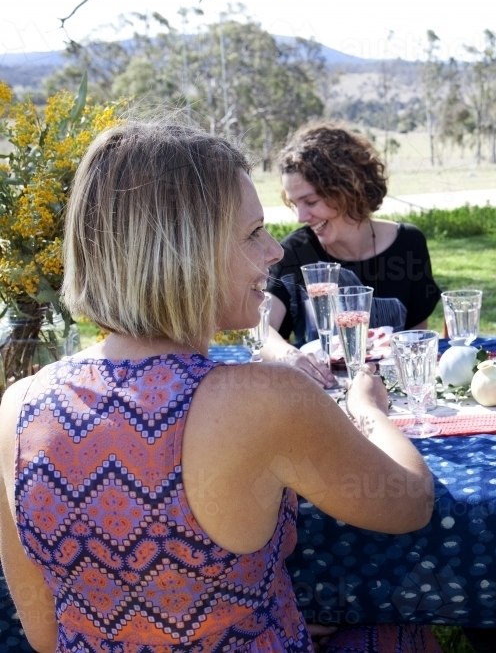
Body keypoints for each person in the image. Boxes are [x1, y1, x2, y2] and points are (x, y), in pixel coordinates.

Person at [0, 122, 438, 653]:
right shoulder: (262, 398)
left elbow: (45, 635)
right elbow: (410, 503)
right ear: (187, 251)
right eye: (254, 233)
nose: (276, 251)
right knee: (403, 634)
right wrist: (369, 409)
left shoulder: (16, 409)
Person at [264, 124, 441, 387]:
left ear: (347, 189)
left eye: (310, 202)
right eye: (294, 203)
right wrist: (290, 356)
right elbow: (261, 330)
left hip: (392, 394)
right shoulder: (293, 252)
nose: (301, 217)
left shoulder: (408, 244)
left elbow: (417, 341)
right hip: (320, 398)